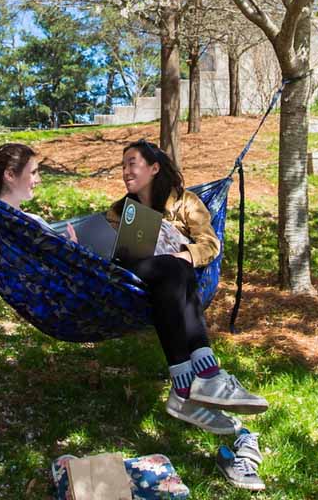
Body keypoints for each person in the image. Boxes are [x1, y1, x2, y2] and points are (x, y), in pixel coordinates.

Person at [105, 139, 267, 435]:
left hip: (171, 279)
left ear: (154, 168)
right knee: (173, 269)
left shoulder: (186, 202)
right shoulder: (118, 211)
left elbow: (210, 243)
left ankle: (182, 389)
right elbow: (109, 250)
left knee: (174, 269)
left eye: (132, 163)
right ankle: (207, 373)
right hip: (130, 277)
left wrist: (186, 254)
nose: (126, 170)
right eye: (123, 165)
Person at [0, 143, 77, 242]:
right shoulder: (33, 225)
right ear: (10, 175)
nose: (39, 180)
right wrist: (71, 250)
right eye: (33, 173)